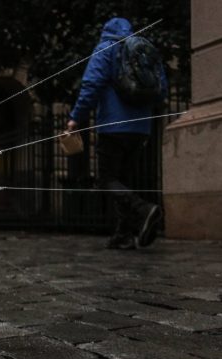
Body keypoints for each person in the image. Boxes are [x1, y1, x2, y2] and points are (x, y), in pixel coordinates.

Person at [67, 17, 167, 250]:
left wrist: (76, 117)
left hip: (113, 126)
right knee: (123, 180)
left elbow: (92, 84)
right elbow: (161, 90)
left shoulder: (106, 49)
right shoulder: (144, 48)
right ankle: (124, 234)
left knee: (106, 179)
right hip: (141, 129)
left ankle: (145, 210)